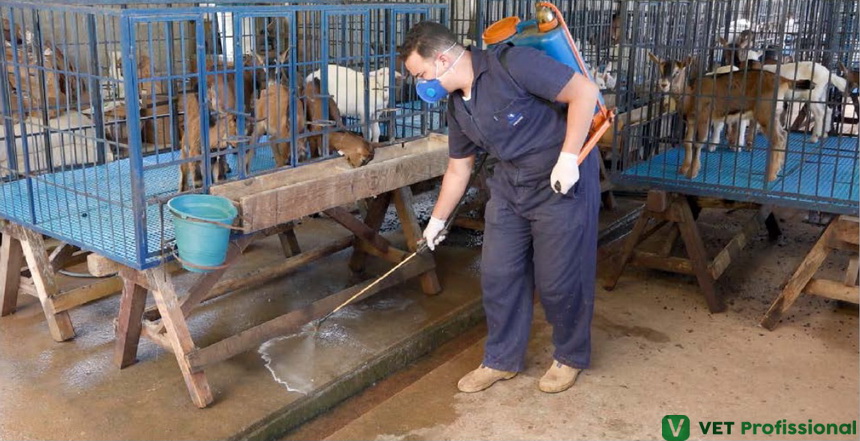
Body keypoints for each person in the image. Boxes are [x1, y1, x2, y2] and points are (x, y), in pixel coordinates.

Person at [399, 21, 601, 394]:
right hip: (510, 186)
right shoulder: (457, 106)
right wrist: (436, 220)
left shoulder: (514, 64)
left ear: (442, 59)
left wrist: (569, 158)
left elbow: (585, 92)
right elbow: (459, 167)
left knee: (559, 279)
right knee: (498, 274)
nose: (421, 84)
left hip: (559, 179)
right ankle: (501, 359)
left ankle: (570, 355)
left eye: (421, 74)